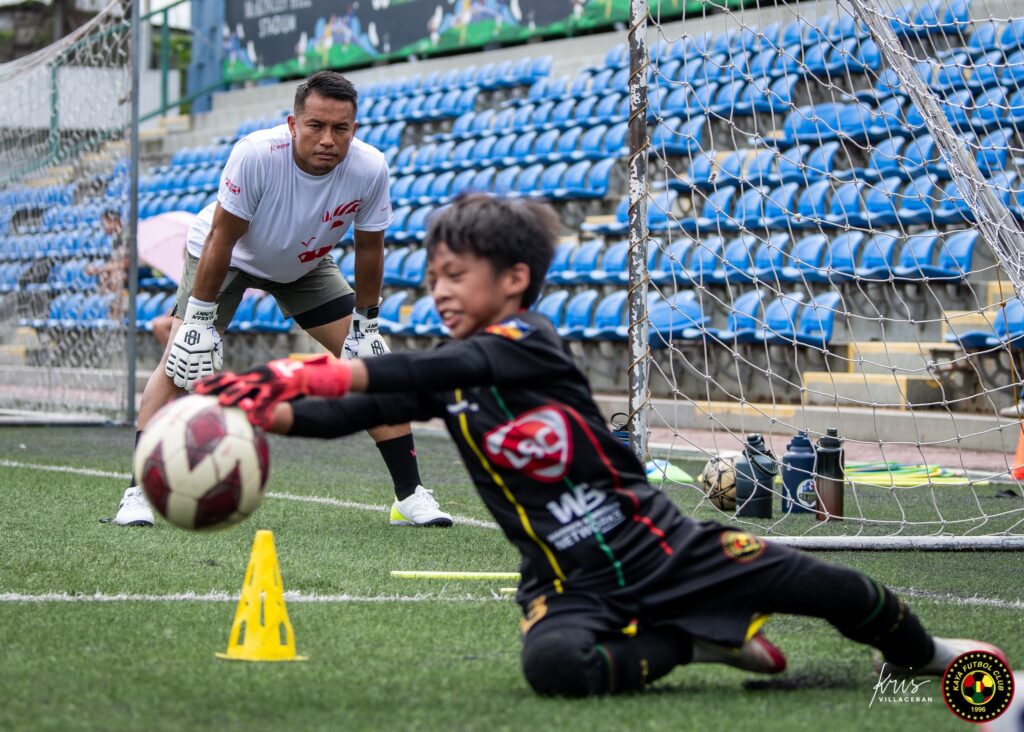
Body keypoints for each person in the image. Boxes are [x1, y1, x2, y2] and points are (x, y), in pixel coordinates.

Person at [195, 194, 1008, 696]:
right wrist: (258, 410)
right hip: (564, 581)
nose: (438, 289)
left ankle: (923, 655)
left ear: (513, 280)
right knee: (553, 669)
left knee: (835, 588)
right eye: (432, 276)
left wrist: (313, 374)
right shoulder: (449, 366)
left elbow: (442, 366)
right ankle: (692, 641)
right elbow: (369, 405)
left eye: (455, 273)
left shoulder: (529, 342)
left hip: (667, 546)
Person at [114, 70, 453, 530]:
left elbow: (370, 247)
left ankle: (410, 494)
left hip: (304, 264)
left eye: (341, 128)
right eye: (316, 125)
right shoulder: (257, 154)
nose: (329, 139)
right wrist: (196, 319)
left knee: (377, 371)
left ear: (355, 128)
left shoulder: (370, 167)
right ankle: (138, 490)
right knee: (181, 361)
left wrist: (366, 324)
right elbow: (222, 238)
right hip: (230, 257)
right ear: (293, 124)